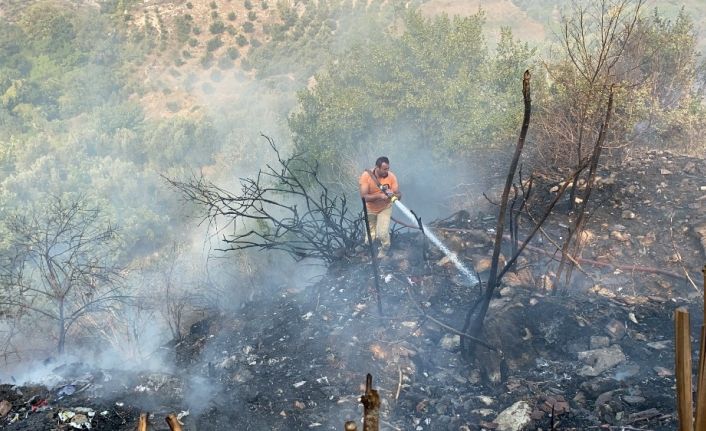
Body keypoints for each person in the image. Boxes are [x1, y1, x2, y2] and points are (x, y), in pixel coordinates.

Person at [359, 156, 401, 257]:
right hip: (370, 209)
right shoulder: (366, 176)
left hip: (384, 208)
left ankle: (383, 252)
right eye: (384, 169)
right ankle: (369, 254)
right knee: (369, 238)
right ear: (377, 167)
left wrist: (393, 195)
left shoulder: (391, 177)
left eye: (388, 168)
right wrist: (380, 196)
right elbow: (364, 197)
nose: (387, 171)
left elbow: (399, 195)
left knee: (382, 234)